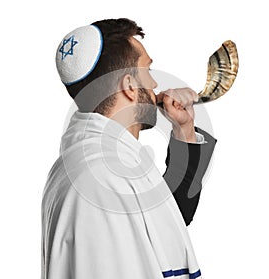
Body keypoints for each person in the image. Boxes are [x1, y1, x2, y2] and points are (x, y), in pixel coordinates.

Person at [41, 18, 216, 279]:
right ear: (130, 86)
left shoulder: (102, 159)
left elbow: (169, 221)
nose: (155, 85)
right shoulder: (101, 178)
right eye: (147, 70)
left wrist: (184, 129)